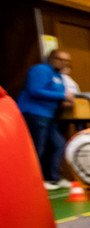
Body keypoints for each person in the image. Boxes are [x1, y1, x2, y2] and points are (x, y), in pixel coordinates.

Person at [17, 48, 74, 190]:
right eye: (61, 60)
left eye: (67, 61)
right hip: (35, 113)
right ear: (52, 59)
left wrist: (64, 100)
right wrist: (62, 97)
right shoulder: (40, 70)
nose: (64, 63)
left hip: (49, 115)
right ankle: (35, 180)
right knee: (38, 147)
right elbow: (34, 90)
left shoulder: (58, 75)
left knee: (59, 144)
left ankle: (54, 178)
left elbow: (58, 93)